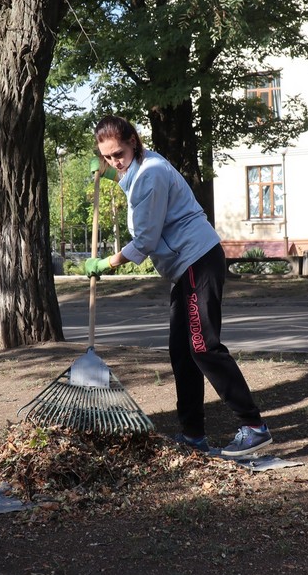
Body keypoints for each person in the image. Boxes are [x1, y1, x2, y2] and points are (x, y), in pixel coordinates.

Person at [85, 115, 272, 458]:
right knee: (182, 352)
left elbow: (145, 240)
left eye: (119, 155)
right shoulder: (141, 168)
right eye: (107, 157)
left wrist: (105, 263)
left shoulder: (151, 173)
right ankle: (193, 435)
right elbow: (136, 186)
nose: (114, 162)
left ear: (133, 142)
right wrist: (114, 175)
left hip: (196, 261)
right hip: (185, 265)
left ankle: (254, 427)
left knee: (203, 347)